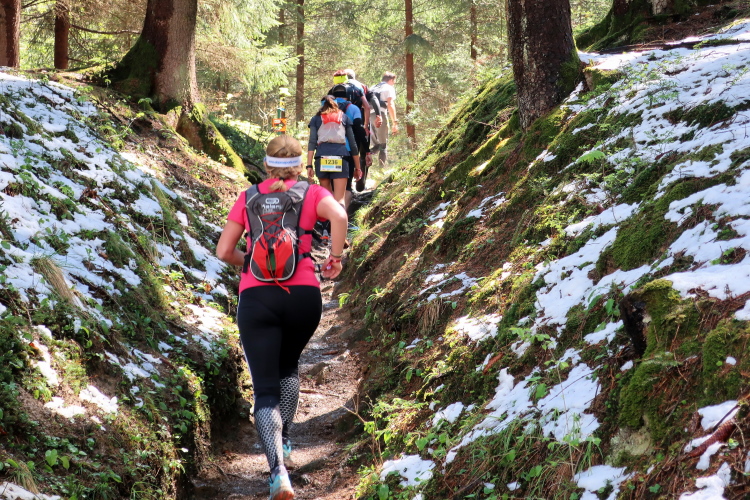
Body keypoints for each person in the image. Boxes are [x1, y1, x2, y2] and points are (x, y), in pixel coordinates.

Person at [215, 135, 348, 500]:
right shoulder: (313, 193)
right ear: (300, 166)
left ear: (266, 165)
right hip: (303, 296)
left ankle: (278, 473)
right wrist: (335, 258)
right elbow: (340, 215)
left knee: (265, 391)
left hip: (256, 298)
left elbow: (224, 251)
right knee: (288, 366)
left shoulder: (248, 197)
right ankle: (285, 440)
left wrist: (251, 264)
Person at [306, 96, 360, 206]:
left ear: (322, 105)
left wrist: (309, 165)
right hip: (341, 156)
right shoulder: (344, 117)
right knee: (340, 199)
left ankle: (329, 217)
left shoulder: (316, 119)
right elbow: (353, 145)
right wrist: (358, 167)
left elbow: (312, 143)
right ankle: (341, 217)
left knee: (327, 199)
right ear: (336, 103)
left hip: (322, 157)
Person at [369, 71, 399, 170]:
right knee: (383, 145)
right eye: (394, 81)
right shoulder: (388, 88)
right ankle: (381, 170)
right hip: (380, 115)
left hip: (369, 116)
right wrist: (394, 122)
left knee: (376, 146)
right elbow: (390, 104)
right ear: (390, 80)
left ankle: (363, 163)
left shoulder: (373, 87)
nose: (394, 84)